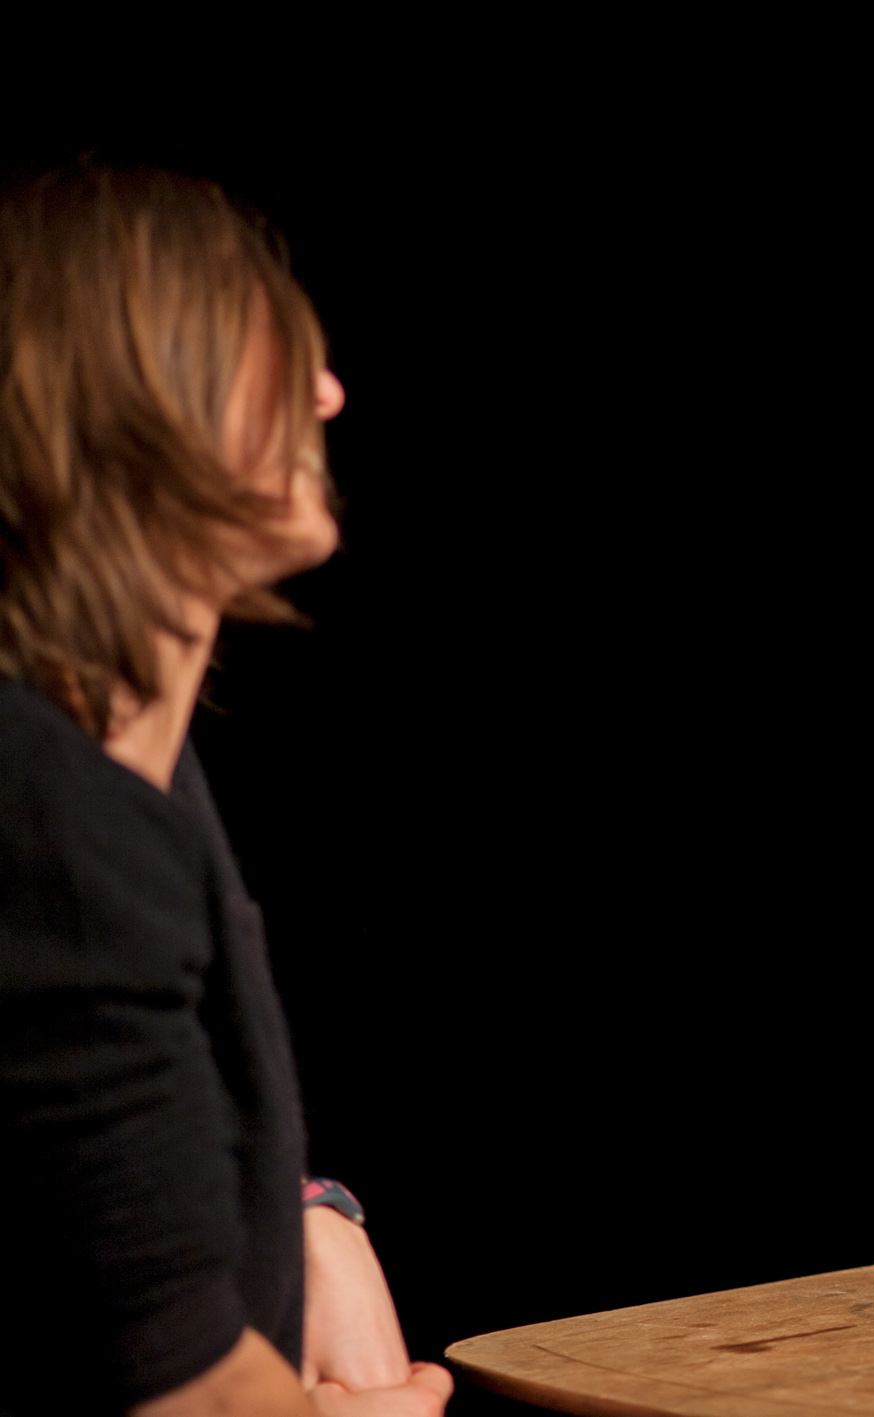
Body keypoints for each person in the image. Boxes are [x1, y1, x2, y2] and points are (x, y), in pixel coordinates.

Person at [0, 166, 451, 1415]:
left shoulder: (129, 772)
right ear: (137, 391)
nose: (328, 393)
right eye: (274, 362)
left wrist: (301, 1209)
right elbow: (188, 1389)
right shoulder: (51, 813)